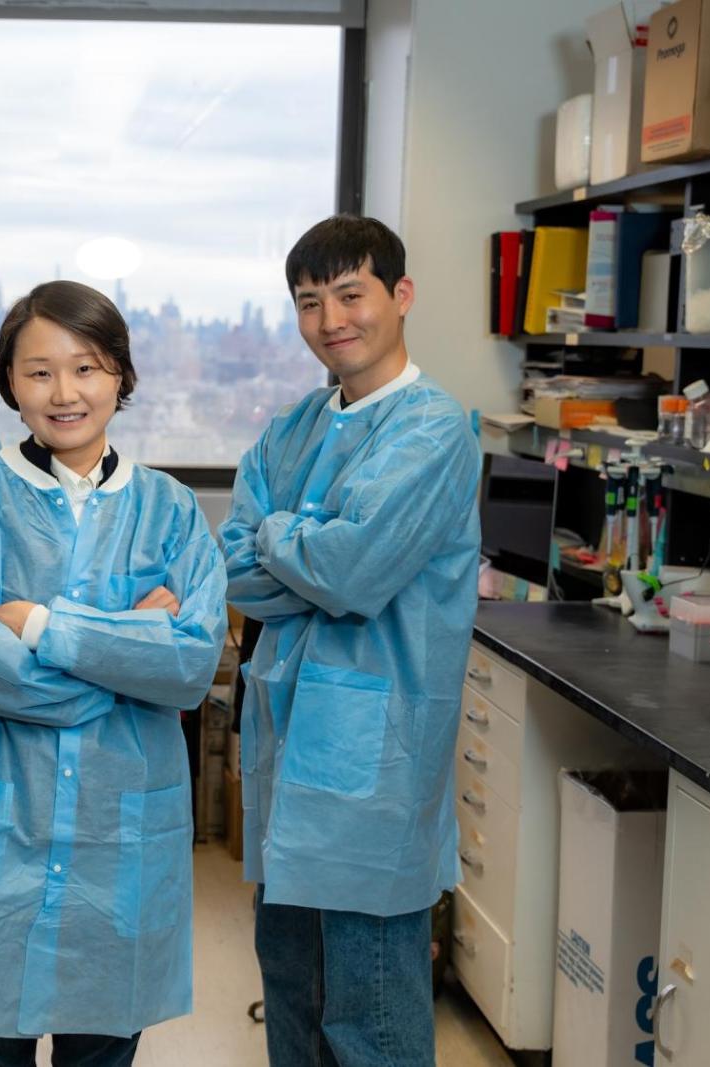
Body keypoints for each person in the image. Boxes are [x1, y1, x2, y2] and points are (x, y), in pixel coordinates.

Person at [0, 280, 228, 1066]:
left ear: (120, 374)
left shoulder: (172, 509)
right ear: (9, 383)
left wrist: (39, 623)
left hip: (119, 832)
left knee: (101, 1048)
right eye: (39, 371)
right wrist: (129, 649)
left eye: (86, 368)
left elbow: (189, 665)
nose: (65, 392)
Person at [219, 215, 482, 1066]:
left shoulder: (436, 431)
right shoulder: (290, 427)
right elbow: (234, 567)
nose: (331, 318)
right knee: (293, 999)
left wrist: (288, 539)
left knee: (368, 1017)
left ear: (400, 297)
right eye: (308, 301)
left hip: (374, 768)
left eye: (350, 293)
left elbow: (355, 572)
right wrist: (309, 541)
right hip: (286, 750)